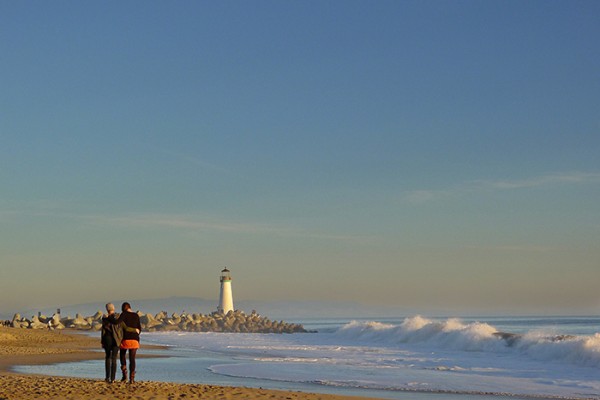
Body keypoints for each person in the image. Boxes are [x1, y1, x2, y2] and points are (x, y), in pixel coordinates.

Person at [118, 302, 141, 383]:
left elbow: (118, 323)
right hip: (134, 339)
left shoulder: (123, 314)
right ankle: (132, 378)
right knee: (132, 359)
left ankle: (124, 375)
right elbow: (139, 329)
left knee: (122, 354)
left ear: (123, 309)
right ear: (130, 307)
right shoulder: (136, 315)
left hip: (125, 339)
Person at [101, 303, 122, 383]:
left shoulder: (105, 318)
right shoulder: (117, 317)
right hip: (116, 339)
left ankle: (107, 377)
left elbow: (103, 331)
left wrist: (102, 341)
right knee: (114, 358)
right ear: (114, 308)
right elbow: (120, 329)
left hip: (107, 339)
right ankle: (113, 378)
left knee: (108, 357)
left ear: (107, 309)